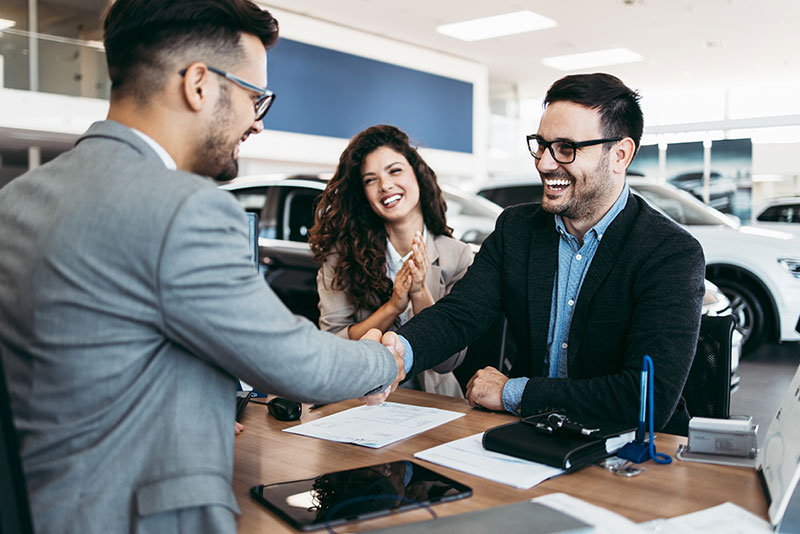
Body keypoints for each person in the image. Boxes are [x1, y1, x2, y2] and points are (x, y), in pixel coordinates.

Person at [0, 1, 404, 532]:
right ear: (198, 84)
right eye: (255, 99)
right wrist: (383, 361)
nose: (256, 125)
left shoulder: (17, 199)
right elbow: (296, 365)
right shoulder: (183, 206)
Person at [394, 73, 705, 435]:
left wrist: (513, 392)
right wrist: (396, 354)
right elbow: (459, 314)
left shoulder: (670, 253)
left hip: (632, 451)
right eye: (541, 145)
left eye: (566, 149)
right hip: (534, 436)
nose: (544, 163)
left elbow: (645, 400)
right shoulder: (516, 229)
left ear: (620, 155)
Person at [309, 125, 473, 397]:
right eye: (370, 180)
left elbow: (448, 362)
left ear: (418, 175)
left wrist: (419, 292)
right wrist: (393, 307)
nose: (385, 185)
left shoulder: (457, 257)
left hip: (436, 403)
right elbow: (332, 344)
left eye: (395, 171)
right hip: (360, 401)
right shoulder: (341, 256)